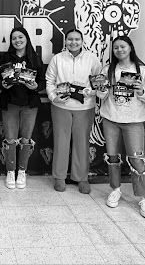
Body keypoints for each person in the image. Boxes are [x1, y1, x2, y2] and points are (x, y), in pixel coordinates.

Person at [96, 35, 145, 218]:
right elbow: (100, 95)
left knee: (137, 159)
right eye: (116, 48)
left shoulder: (142, 70)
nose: (119, 50)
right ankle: (115, 189)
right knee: (113, 157)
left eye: (123, 46)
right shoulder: (107, 69)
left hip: (134, 121)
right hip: (111, 118)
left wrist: (141, 91)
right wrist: (103, 90)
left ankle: (143, 196)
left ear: (130, 47)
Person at [45, 28, 101, 193]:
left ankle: (82, 177)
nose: (73, 42)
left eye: (77, 39)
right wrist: (53, 97)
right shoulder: (57, 59)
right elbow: (49, 80)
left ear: (82, 41)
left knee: (82, 143)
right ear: (65, 41)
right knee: (61, 142)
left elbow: (99, 81)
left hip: (85, 107)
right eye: (70, 39)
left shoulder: (91, 58)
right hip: (61, 107)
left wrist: (91, 91)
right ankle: (59, 177)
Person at [0, 27, 45, 189]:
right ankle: (10, 171)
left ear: (27, 38)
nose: (17, 40)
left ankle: (22, 171)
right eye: (14, 38)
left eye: (20, 37)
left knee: (26, 139)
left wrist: (36, 86)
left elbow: (43, 81)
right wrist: (1, 84)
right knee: (10, 139)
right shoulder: (5, 58)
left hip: (30, 103)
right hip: (9, 103)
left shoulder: (35, 58)